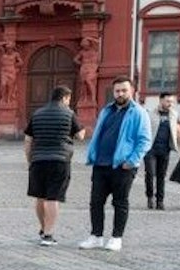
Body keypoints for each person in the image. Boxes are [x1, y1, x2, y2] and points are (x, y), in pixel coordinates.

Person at [80, 76, 151, 251]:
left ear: (132, 91)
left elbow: (145, 140)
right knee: (96, 202)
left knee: (120, 202)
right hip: (101, 163)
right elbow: (98, 134)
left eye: (124, 90)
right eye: (117, 91)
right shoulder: (106, 110)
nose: (120, 94)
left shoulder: (139, 112)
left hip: (122, 166)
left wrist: (132, 161)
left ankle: (116, 237)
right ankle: (96, 236)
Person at [24, 86, 84, 244]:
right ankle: (49, 235)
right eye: (68, 99)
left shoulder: (37, 114)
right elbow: (80, 136)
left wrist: (30, 159)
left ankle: (43, 228)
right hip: (60, 160)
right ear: (65, 98)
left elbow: (28, 140)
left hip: (38, 160)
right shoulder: (69, 114)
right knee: (53, 198)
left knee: (40, 196)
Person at [141, 92, 180, 210]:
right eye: (168, 101)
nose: (170, 104)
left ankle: (160, 201)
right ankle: (150, 196)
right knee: (150, 174)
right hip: (150, 149)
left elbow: (178, 129)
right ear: (160, 101)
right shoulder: (150, 114)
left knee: (161, 176)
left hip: (165, 150)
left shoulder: (173, 114)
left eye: (172, 101)